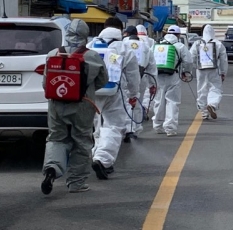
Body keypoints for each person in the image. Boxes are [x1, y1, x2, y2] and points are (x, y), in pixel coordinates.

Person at [41, 19, 108, 194]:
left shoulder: (52, 54)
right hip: (83, 105)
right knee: (82, 141)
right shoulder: (92, 57)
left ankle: (52, 169)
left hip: (56, 104)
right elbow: (102, 80)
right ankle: (76, 182)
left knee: (56, 138)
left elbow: (45, 83)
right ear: (86, 35)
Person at [87, 17, 141, 180]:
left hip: (92, 92)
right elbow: (133, 76)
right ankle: (102, 159)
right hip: (113, 91)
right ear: (120, 31)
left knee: (97, 126)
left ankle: (97, 155)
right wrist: (133, 94)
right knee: (115, 125)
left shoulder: (90, 46)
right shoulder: (124, 48)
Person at [152, 26, 193, 136]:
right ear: (178, 35)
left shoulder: (157, 44)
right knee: (172, 101)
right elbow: (188, 61)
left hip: (158, 76)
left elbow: (150, 60)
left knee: (159, 101)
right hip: (173, 76)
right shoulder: (180, 46)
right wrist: (186, 72)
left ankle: (157, 126)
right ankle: (170, 128)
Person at [123, 25, 158, 140]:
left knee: (124, 102)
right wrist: (152, 84)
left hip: (123, 76)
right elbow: (152, 66)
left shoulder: (122, 44)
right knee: (137, 101)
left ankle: (127, 128)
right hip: (141, 77)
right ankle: (135, 128)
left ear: (127, 34)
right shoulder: (145, 46)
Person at [190, 24, 228, 120]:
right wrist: (223, 72)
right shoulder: (218, 44)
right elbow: (224, 60)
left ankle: (204, 112)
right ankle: (212, 104)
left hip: (201, 69)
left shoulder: (197, 43)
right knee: (215, 88)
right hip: (214, 69)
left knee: (202, 89)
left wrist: (195, 66)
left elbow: (191, 56)